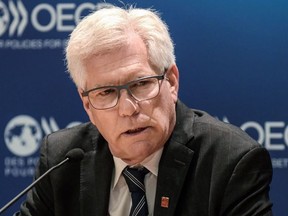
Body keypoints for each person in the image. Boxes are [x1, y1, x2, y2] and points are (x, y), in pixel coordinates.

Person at [16, 3, 273, 216]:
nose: (127, 109)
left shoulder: (230, 161)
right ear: (87, 105)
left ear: (171, 82)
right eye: (105, 92)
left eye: (140, 84)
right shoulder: (61, 161)